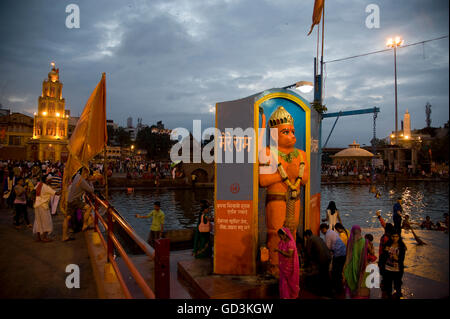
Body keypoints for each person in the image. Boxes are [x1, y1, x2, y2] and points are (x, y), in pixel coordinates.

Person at [64, 167, 95, 241]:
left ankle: (64, 236)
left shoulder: (77, 176)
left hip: (69, 199)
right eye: (87, 174)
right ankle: (84, 225)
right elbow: (91, 190)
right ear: (84, 173)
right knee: (88, 208)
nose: (88, 175)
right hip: (75, 200)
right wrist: (90, 182)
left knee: (67, 218)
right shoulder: (81, 180)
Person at [343, 225, 370, 298]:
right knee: (358, 281)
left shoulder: (350, 241)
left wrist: (345, 266)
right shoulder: (364, 241)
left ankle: (348, 295)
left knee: (349, 282)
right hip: (360, 266)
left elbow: (348, 254)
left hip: (350, 266)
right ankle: (355, 293)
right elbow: (366, 255)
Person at [320, 223, 346, 295]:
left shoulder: (328, 234)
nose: (321, 232)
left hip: (338, 254)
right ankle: (340, 288)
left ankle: (336, 289)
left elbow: (327, 247)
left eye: (321, 231)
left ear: (323, 229)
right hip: (343, 253)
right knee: (339, 271)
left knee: (335, 272)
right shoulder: (332, 232)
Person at [304, 229, 332, 296]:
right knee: (326, 274)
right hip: (328, 257)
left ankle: (323, 292)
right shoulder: (317, 237)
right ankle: (328, 290)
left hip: (322, 259)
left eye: (305, 237)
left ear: (307, 235)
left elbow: (308, 252)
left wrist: (306, 262)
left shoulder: (310, 239)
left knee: (321, 275)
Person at [379, 232, 407, 299]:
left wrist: (396, 258)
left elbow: (402, 259)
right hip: (387, 269)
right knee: (388, 287)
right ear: (391, 237)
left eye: (396, 236)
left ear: (399, 237)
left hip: (397, 270)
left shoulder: (401, 247)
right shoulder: (387, 245)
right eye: (393, 236)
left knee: (397, 287)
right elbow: (383, 257)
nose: (394, 238)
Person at [274, 228, 299, 299]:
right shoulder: (282, 242)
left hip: (289, 267)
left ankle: (290, 295)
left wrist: (279, 251)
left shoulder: (290, 243)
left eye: (280, 236)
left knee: (289, 282)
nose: (280, 237)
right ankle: (284, 296)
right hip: (283, 266)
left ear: (285, 235)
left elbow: (289, 255)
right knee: (283, 282)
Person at [33, 175, 58, 242]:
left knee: (38, 221)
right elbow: (57, 193)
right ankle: (44, 237)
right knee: (46, 221)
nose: (52, 180)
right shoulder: (46, 187)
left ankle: (38, 237)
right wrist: (64, 189)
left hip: (37, 205)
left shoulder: (39, 184)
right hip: (43, 206)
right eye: (50, 179)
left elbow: (34, 192)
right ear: (47, 180)